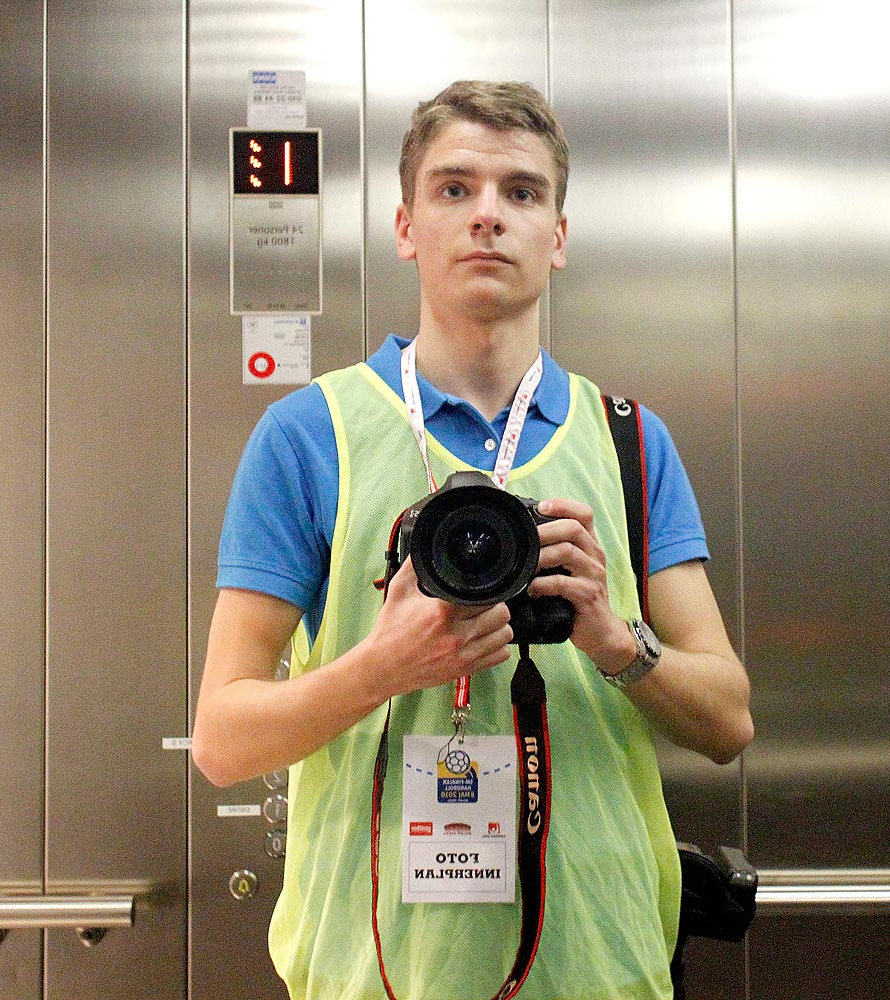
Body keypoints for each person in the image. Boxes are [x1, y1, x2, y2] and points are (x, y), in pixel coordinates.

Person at [192, 80, 753, 1000]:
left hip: (599, 966)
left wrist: (618, 641)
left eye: (523, 193)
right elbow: (221, 739)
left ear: (559, 237)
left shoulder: (630, 441)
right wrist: (383, 665)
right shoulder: (308, 435)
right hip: (374, 972)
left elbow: (729, 721)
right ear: (408, 226)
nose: (488, 215)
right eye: (455, 189)